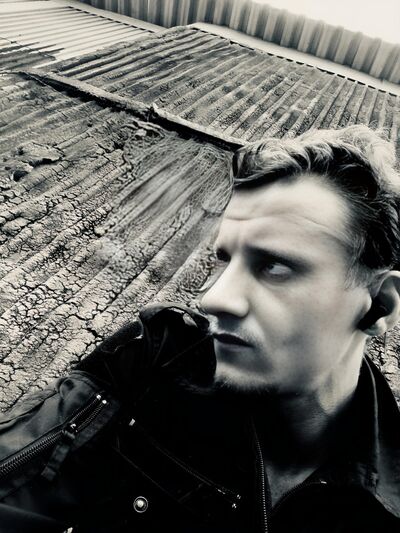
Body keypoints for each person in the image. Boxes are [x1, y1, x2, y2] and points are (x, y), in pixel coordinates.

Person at [0, 125, 400, 533]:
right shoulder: (159, 358)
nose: (214, 298)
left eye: (274, 266)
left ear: (381, 306)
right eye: (224, 259)